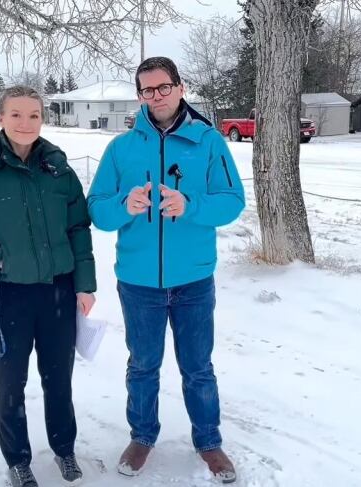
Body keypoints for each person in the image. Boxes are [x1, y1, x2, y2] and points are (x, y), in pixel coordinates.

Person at [87, 57, 245, 484]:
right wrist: (124, 205)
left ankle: (209, 443)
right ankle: (142, 437)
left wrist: (191, 206)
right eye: (146, 90)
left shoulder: (208, 141)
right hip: (139, 282)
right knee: (142, 365)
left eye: (163, 87)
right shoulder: (121, 148)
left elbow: (233, 201)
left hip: (193, 278)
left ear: (180, 87)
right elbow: (97, 211)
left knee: (198, 367)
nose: (155, 96)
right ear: (139, 95)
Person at [0, 86, 96, 487]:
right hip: (7, 294)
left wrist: (85, 284)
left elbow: (78, 227)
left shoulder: (58, 168)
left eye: (34, 116)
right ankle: (18, 459)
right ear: (0, 118)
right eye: (16, 115)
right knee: (9, 382)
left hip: (58, 291)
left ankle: (64, 449)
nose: (26, 124)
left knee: (59, 378)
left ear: (43, 119)